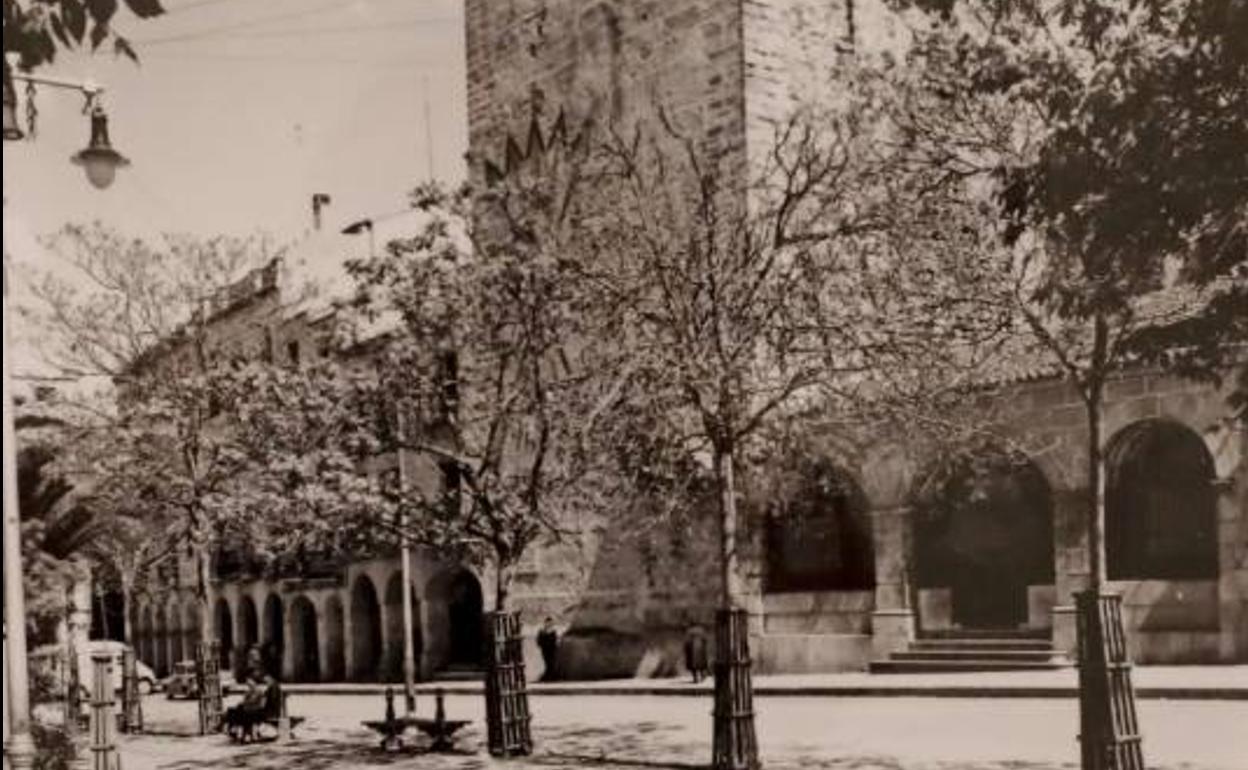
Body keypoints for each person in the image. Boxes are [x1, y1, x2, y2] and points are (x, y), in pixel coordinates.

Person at [536, 617, 559, 682]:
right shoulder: (542, 631)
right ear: (545, 623)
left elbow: (554, 641)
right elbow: (539, 641)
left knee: (551, 663)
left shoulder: (553, 632)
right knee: (547, 662)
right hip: (545, 650)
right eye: (548, 623)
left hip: (551, 650)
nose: (549, 624)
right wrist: (542, 645)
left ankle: (550, 676)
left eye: (550, 623)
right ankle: (548, 676)